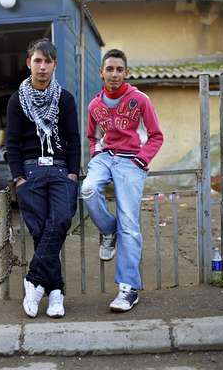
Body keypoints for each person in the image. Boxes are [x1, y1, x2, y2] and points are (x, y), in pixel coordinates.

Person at [81, 49, 163, 312]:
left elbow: (156, 136)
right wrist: (96, 155)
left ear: (126, 73)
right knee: (88, 189)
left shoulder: (139, 100)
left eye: (119, 69)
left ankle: (128, 289)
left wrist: (141, 160)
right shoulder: (94, 105)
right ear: (101, 72)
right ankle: (108, 230)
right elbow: (92, 137)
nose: (114, 74)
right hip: (105, 157)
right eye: (109, 69)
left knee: (129, 222)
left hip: (131, 161)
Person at [6, 38, 80, 318]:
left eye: (47, 61)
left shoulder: (65, 99)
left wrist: (72, 174)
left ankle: (33, 281)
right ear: (29, 63)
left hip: (61, 170)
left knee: (60, 221)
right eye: (37, 60)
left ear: (54, 65)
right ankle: (57, 293)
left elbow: (73, 140)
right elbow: (12, 143)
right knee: (41, 232)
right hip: (30, 172)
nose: (42, 67)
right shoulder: (17, 100)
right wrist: (19, 179)